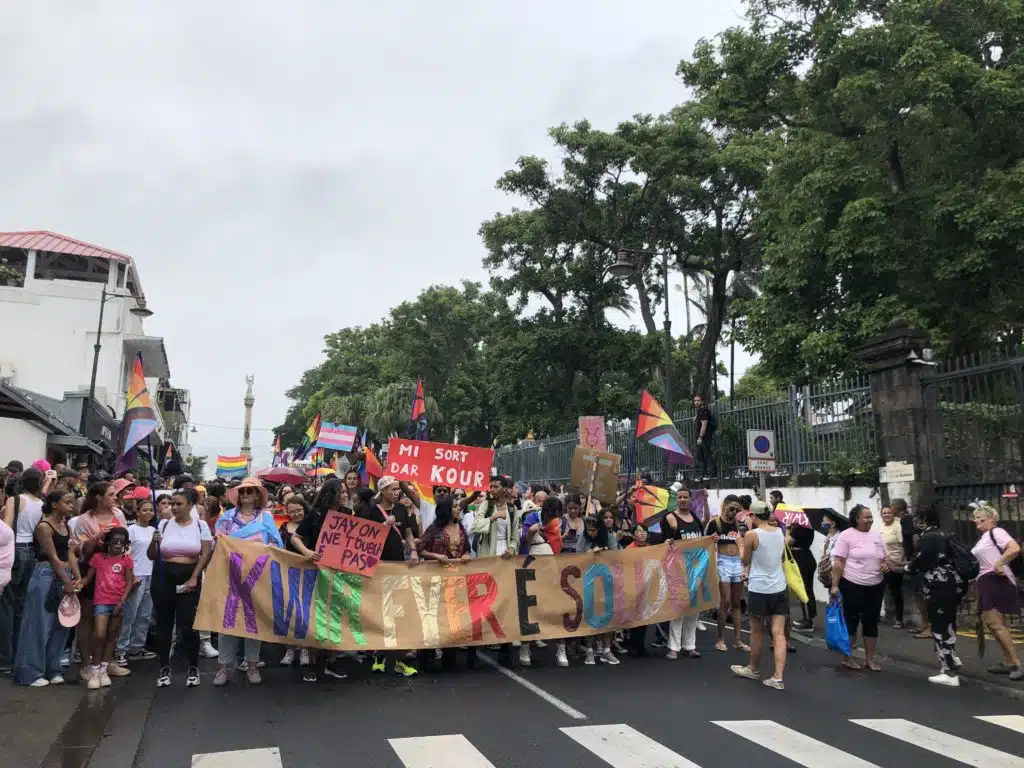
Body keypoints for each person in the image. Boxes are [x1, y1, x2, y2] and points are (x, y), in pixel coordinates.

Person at [213, 477, 282, 686]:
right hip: (231, 576)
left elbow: (275, 546)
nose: (245, 496)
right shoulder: (226, 519)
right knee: (228, 622)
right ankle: (224, 668)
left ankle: (252, 665)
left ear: (257, 495)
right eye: (242, 492)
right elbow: (219, 545)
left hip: (258, 577)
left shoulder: (266, 519)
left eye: (250, 492)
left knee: (253, 622)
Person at [12, 490, 81, 686]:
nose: (71, 505)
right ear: (54, 504)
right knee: (39, 624)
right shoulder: (44, 526)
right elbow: (53, 557)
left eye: (72, 502)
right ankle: (31, 671)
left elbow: (71, 554)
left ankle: (53, 668)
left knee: (62, 623)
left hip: (63, 575)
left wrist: (77, 578)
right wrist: (67, 580)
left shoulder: (66, 525)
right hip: (45, 574)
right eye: (67, 502)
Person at [148, 490, 213, 688]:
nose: (173, 508)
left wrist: (194, 577)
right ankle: (164, 667)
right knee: (164, 623)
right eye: (171, 504)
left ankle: (193, 667)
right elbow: (152, 555)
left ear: (190, 505)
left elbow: (206, 554)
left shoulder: (200, 526)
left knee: (187, 623)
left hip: (189, 576)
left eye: (178, 504)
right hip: (163, 577)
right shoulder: (164, 524)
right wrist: (154, 541)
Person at [359, 476, 419, 676]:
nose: (397, 492)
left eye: (397, 489)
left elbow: (408, 532)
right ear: (382, 491)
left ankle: (397, 659)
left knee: (398, 613)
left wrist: (413, 551)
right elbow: (365, 538)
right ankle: (379, 654)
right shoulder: (370, 511)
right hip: (378, 569)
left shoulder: (401, 508)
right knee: (380, 612)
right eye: (393, 489)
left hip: (398, 567)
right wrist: (385, 524)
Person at [70, 481, 128, 684]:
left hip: (115, 572)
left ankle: (106, 661)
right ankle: (87, 663)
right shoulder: (84, 520)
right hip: (93, 571)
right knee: (87, 618)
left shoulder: (119, 515)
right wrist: (98, 536)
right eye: (111, 494)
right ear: (99, 497)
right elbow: (81, 551)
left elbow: (125, 542)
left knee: (114, 619)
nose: (115, 498)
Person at [902, 505, 965, 686]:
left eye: (917, 519)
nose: (914, 522)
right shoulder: (942, 534)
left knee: (939, 627)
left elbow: (921, 562)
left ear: (924, 520)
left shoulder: (928, 538)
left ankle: (947, 670)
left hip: (938, 586)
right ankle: (952, 658)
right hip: (952, 585)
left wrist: (907, 567)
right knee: (949, 623)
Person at [732, 500, 788, 690]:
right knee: (778, 633)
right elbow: (780, 557)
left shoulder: (751, 535)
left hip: (759, 587)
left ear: (754, 516)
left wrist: (740, 545)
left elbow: (745, 560)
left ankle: (753, 668)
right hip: (779, 586)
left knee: (757, 631)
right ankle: (778, 676)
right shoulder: (780, 532)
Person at [417, 497, 475, 670]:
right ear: (447, 510)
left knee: (453, 618)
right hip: (436, 580)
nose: (459, 509)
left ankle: (449, 656)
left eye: (458, 506)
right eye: (455, 506)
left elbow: (467, 548)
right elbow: (421, 549)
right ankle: (427, 656)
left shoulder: (461, 527)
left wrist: (465, 554)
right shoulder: (434, 529)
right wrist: (436, 556)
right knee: (435, 617)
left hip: (456, 580)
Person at [830, 504, 888, 671]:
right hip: (851, 584)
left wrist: (885, 565)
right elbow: (839, 562)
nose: (870, 520)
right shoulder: (846, 536)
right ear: (856, 519)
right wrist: (835, 585)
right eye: (866, 517)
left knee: (871, 622)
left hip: (875, 584)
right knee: (851, 621)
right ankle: (847, 658)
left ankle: (869, 659)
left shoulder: (877, 535)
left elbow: (883, 557)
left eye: (871, 517)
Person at [0, 466, 46, 671]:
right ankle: (18, 653)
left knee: (7, 605)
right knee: (21, 606)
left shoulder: (15, 500)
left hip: (14, 550)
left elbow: (6, 529)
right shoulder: (41, 504)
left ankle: (5, 658)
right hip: (31, 553)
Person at [970, 503, 1022, 681]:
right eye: (975, 517)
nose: (976, 520)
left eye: (981, 517)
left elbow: (1014, 548)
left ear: (992, 518)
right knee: (992, 624)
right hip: (987, 581)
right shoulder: (985, 536)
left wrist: (999, 563)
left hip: (997, 579)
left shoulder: (997, 532)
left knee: (996, 624)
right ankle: (1008, 661)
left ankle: (1017, 663)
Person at [80, 527, 134, 688]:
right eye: (115, 541)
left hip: (117, 602)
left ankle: (104, 669)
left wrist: (122, 602)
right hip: (101, 602)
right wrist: (76, 584)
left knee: (112, 635)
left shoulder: (126, 560)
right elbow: (87, 579)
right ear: (107, 542)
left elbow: (129, 582)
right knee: (100, 635)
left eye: (122, 542)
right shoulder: (98, 558)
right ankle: (95, 670)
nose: (118, 544)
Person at [114, 498, 158, 666]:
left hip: (151, 575)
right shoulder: (130, 530)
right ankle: (121, 649)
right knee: (129, 614)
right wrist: (131, 577)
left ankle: (137, 647)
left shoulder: (154, 530)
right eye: (144, 510)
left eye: (150, 510)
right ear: (137, 512)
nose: (148, 513)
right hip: (136, 576)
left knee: (145, 615)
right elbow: (126, 555)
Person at [663, 487, 704, 660]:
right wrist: (667, 542)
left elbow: (702, 539)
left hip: (695, 570)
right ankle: (673, 647)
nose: (682, 500)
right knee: (677, 610)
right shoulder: (670, 518)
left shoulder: (695, 518)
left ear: (690, 499)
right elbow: (663, 543)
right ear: (676, 499)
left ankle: (690, 645)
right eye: (679, 497)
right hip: (677, 570)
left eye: (685, 497)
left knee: (693, 610)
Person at [576, 513, 620, 666]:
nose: (591, 533)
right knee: (590, 615)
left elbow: (617, 556)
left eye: (594, 530)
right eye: (588, 530)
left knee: (607, 615)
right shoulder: (583, 537)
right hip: (589, 580)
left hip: (607, 580)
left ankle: (606, 650)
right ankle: (589, 650)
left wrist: (603, 553)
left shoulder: (610, 537)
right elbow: (577, 557)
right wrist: (587, 555)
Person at [706, 495, 749, 653]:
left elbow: (743, 544)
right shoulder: (715, 523)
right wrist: (712, 539)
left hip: (737, 562)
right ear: (724, 506)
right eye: (731, 508)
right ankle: (720, 639)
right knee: (725, 602)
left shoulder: (739, 524)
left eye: (737, 509)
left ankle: (738, 640)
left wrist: (745, 566)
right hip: (722, 562)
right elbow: (706, 543)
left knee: (737, 603)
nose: (734, 512)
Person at [788, 519, 818, 633]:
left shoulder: (800, 528)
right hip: (806, 558)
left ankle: (808, 621)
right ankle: (807, 617)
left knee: (804, 590)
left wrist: (789, 530)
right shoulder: (808, 526)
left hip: (802, 560)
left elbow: (787, 541)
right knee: (806, 589)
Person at [879, 505, 906, 628]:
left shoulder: (897, 525)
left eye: (889, 513)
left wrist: (898, 563)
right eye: (884, 513)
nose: (886, 515)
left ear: (893, 513)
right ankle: (878, 615)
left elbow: (903, 546)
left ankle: (899, 619)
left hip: (895, 563)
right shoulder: (880, 527)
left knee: (896, 591)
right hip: (882, 563)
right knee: (878, 590)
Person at [692, 394, 715, 479]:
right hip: (700, 437)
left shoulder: (705, 411)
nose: (696, 402)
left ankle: (711, 474)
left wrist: (700, 437)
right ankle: (703, 474)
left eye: (698, 400)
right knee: (700, 456)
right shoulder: (700, 411)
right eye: (695, 401)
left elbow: (704, 425)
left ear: (702, 401)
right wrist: (696, 417)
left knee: (707, 455)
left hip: (704, 438)